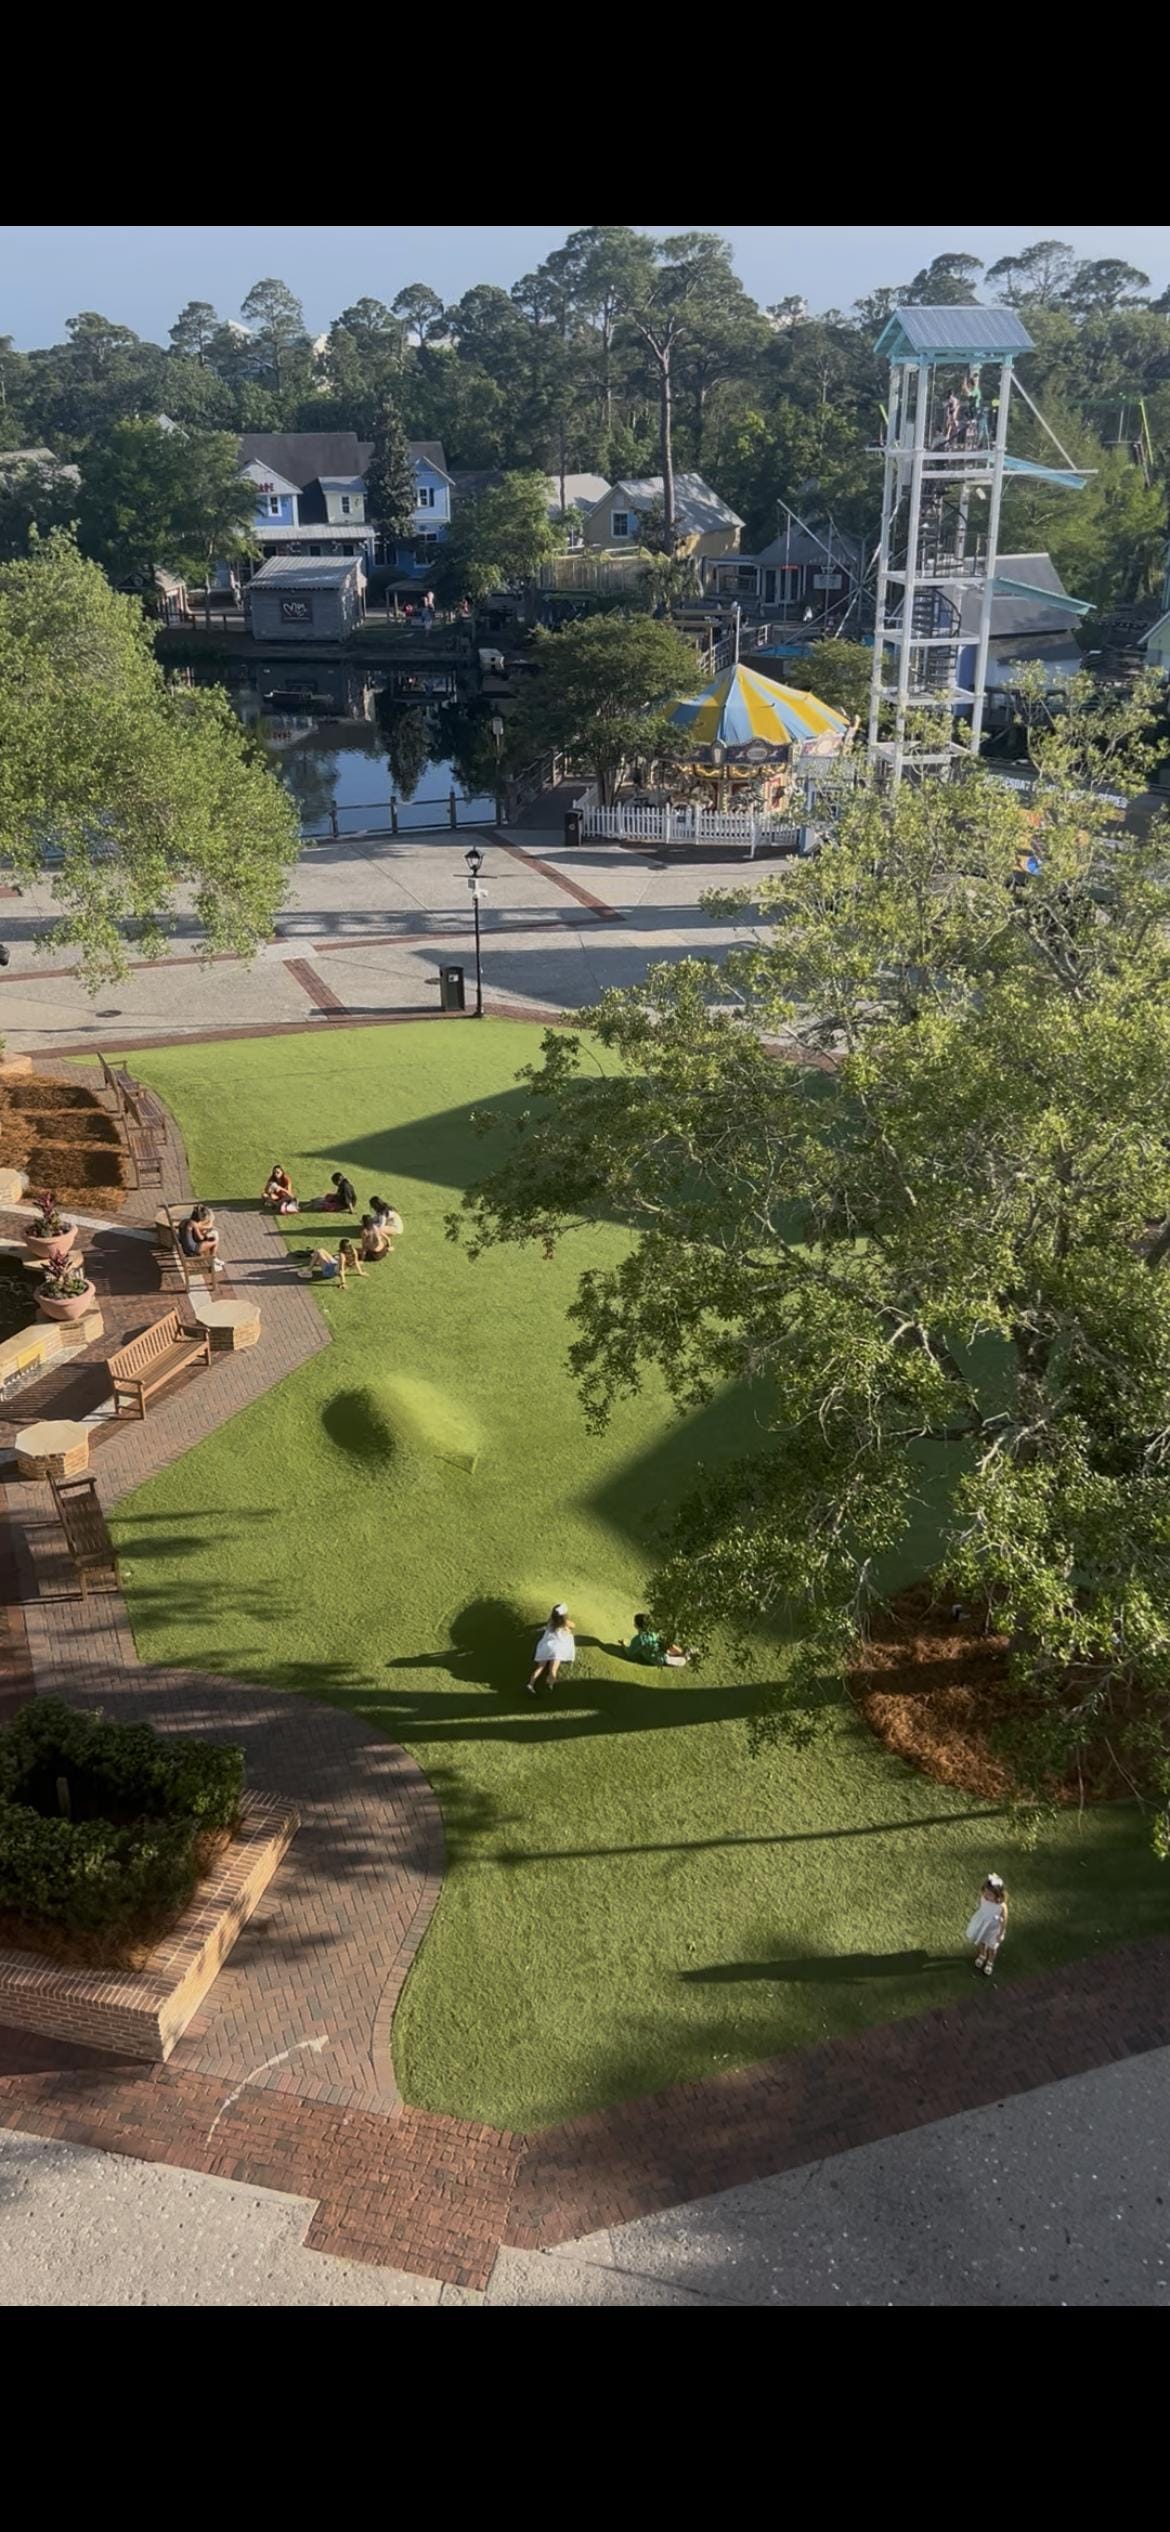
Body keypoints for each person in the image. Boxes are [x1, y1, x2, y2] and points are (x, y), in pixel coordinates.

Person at [525, 1603, 575, 1697]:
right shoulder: (565, 1623)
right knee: (553, 1669)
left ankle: (530, 1684)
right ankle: (550, 1684)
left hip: (546, 1646)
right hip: (557, 1648)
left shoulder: (550, 1621)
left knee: (540, 1667)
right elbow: (573, 1625)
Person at [965, 1873, 1008, 1978]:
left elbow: (1004, 1920)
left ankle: (990, 1962)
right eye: (985, 1892)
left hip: (994, 1929)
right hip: (983, 1924)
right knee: (982, 1941)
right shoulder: (983, 1898)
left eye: (990, 1894)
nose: (986, 1895)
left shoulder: (1001, 1906)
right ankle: (982, 1955)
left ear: (998, 1895)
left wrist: (1001, 1933)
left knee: (992, 1947)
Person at [625, 1612, 691, 1668]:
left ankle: (684, 1655)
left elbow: (630, 1653)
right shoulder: (654, 1633)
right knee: (670, 1652)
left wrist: (624, 1645)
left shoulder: (639, 1639)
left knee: (680, 1660)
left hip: (660, 1657)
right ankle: (683, 1654)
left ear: (637, 1626)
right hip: (661, 1653)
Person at [179, 1203, 224, 1274]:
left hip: (185, 1247)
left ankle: (214, 1259)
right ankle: (213, 1263)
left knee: (210, 1240)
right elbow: (200, 1238)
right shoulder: (193, 1224)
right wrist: (206, 1236)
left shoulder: (185, 1221)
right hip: (192, 1249)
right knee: (215, 1241)